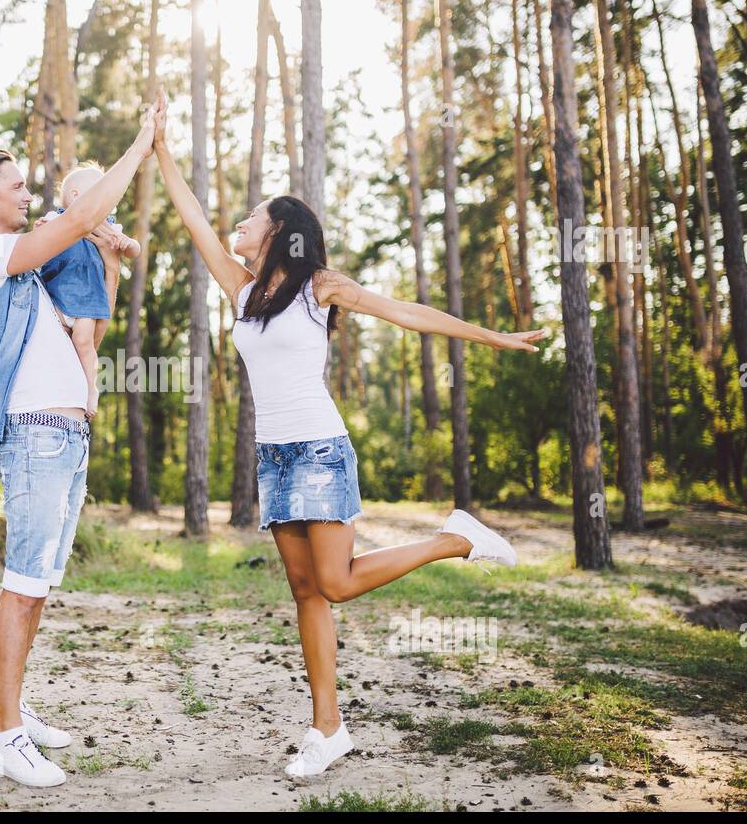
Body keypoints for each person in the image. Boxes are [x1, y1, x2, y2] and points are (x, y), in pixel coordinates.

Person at [150, 89, 546, 778]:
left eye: (252, 217)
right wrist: (159, 149)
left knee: (333, 584)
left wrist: (492, 336)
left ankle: (457, 539)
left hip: (319, 452)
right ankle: (327, 729)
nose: (238, 224)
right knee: (306, 593)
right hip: (273, 459)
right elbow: (192, 221)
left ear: (279, 232)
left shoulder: (319, 287)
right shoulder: (244, 293)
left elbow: (408, 313)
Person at [0, 96, 162, 787]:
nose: (27, 195)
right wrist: (139, 146)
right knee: (20, 584)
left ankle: (1, 710)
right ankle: (7, 740)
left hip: (66, 434)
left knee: (38, 585)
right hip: (36, 433)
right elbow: (75, 216)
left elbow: (88, 300)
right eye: (16, 187)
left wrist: (111, 252)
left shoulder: (28, 269)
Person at [36, 162, 142, 417]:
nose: (107, 202)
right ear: (76, 196)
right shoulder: (57, 219)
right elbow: (37, 242)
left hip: (86, 298)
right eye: (100, 193)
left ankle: (90, 389)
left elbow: (135, 250)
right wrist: (40, 229)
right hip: (57, 294)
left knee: (84, 342)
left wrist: (125, 243)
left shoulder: (106, 224)